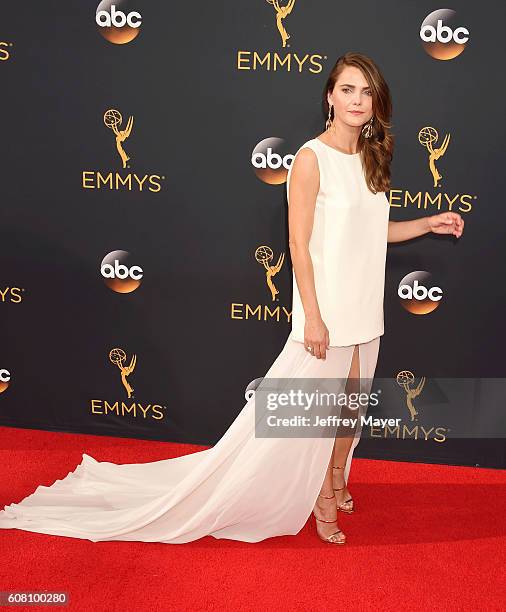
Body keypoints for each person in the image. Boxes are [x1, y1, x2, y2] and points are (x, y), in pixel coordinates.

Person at [0, 52, 464, 545]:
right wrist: (312, 316)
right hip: (326, 308)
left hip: (365, 306)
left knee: (349, 413)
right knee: (318, 417)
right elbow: (297, 244)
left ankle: (334, 477)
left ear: (376, 103)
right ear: (329, 96)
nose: (357, 100)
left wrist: (427, 223)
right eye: (347, 89)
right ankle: (322, 497)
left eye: (366, 92)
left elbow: (374, 232)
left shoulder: (371, 159)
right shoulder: (311, 158)